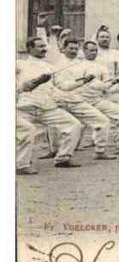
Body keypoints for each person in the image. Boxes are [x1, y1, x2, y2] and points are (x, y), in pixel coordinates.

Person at [16, 37, 83, 170]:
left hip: (47, 107)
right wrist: (35, 81)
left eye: (44, 46)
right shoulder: (20, 64)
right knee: (26, 131)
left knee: (74, 125)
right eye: (40, 46)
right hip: (25, 106)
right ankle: (21, 165)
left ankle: (63, 158)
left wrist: (82, 81)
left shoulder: (50, 67)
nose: (44, 49)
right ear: (30, 48)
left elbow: (64, 86)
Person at [50, 39, 117, 161]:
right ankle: (60, 155)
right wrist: (83, 81)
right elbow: (64, 86)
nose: (73, 51)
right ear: (63, 49)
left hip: (77, 101)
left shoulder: (81, 64)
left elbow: (93, 84)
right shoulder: (57, 62)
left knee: (102, 121)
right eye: (71, 48)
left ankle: (100, 151)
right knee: (67, 127)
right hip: (59, 100)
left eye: (76, 49)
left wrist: (110, 84)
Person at [80, 40, 119, 155]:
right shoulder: (79, 66)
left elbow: (107, 89)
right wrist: (115, 81)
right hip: (81, 101)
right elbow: (97, 86)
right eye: (91, 50)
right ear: (84, 51)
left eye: (95, 50)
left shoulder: (100, 67)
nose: (94, 53)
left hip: (96, 100)